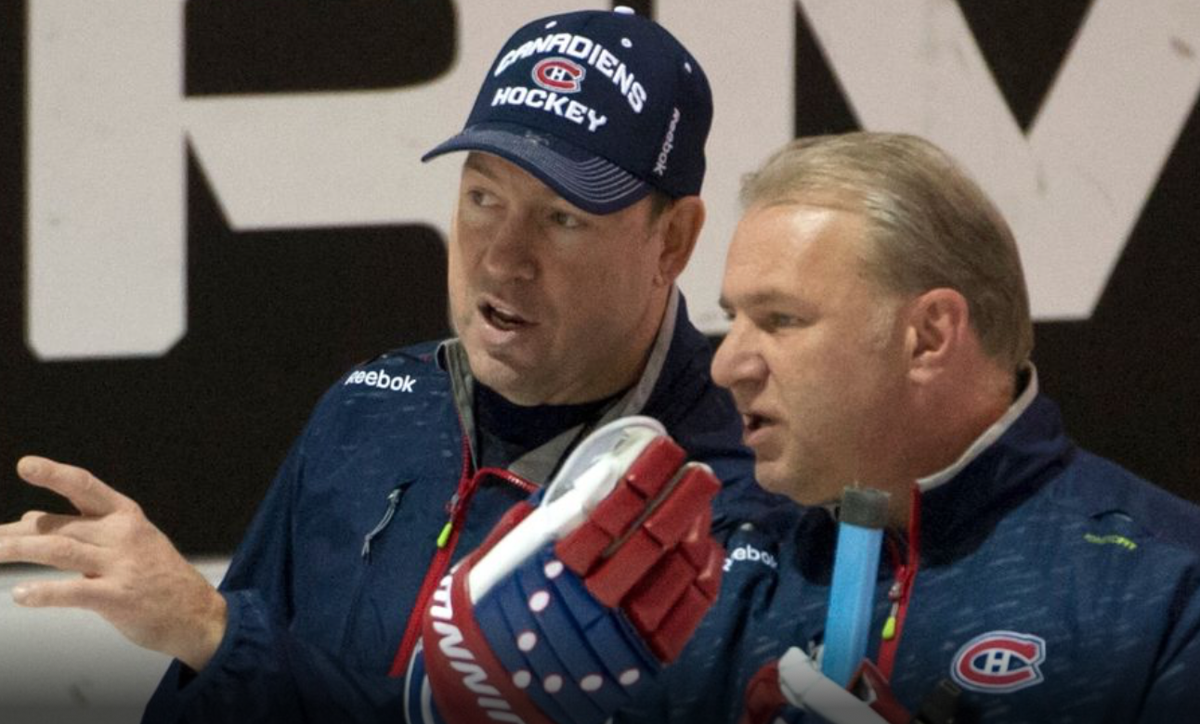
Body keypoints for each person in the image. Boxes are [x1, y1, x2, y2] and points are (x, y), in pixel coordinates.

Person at [0, 8, 775, 722]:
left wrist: (216, 632)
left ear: (672, 242)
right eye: (482, 197)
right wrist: (212, 644)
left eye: (562, 217)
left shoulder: (738, 493)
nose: (503, 259)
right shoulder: (370, 408)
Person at [638, 131, 1200, 723]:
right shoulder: (712, 568)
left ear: (929, 336)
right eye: (732, 319)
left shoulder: (1165, 588)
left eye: (781, 318)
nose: (727, 366)